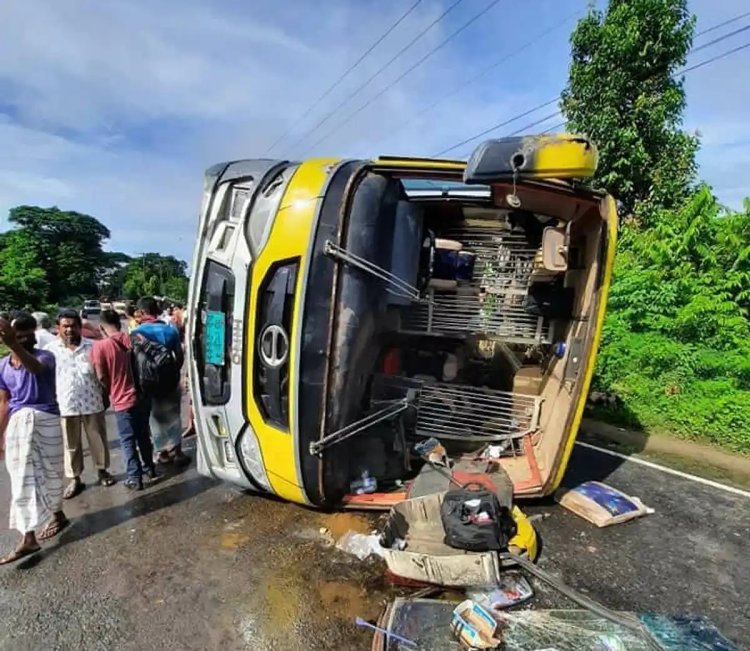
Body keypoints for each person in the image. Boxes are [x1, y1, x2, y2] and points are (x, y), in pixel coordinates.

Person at [0, 313, 69, 564]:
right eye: (19, 336)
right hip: (19, 425)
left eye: (29, 334)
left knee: (51, 472)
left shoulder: (45, 357)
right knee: (22, 480)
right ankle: (28, 537)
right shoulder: (3, 365)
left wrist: (14, 345)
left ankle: (58, 514)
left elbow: (36, 368)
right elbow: (4, 403)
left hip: (46, 419)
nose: (26, 339)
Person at [45, 309, 115, 498]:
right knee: (71, 444)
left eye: (73, 326)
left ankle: (102, 471)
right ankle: (75, 479)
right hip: (66, 405)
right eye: (65, 326)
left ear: (79, 327)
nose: (69, 330)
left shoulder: (93, 346)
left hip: (92, 402)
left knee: (98, 440)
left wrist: (107, 394)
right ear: (58, 328)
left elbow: (104, 374)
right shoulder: (50, 351)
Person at [92, 310, 159, 491]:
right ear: (119, 324)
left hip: (122, 400)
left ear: (101, 327)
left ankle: (134, 477)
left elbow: (101, 377)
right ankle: (150, 468)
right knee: (144, 435)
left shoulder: (100, 347)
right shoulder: (134, 338)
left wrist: (109, 392)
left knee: (127, 440)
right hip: (143, 396)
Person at [132, 297, 190, 466]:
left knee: (154, 417)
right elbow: (179, 356)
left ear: (142, 312)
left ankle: (162, 453)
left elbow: (134, 361)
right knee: (173, 415)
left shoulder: (136, 333)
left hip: (148, 384)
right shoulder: (170, 331)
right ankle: (177, 452)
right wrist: (173, 372)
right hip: (169, 380)